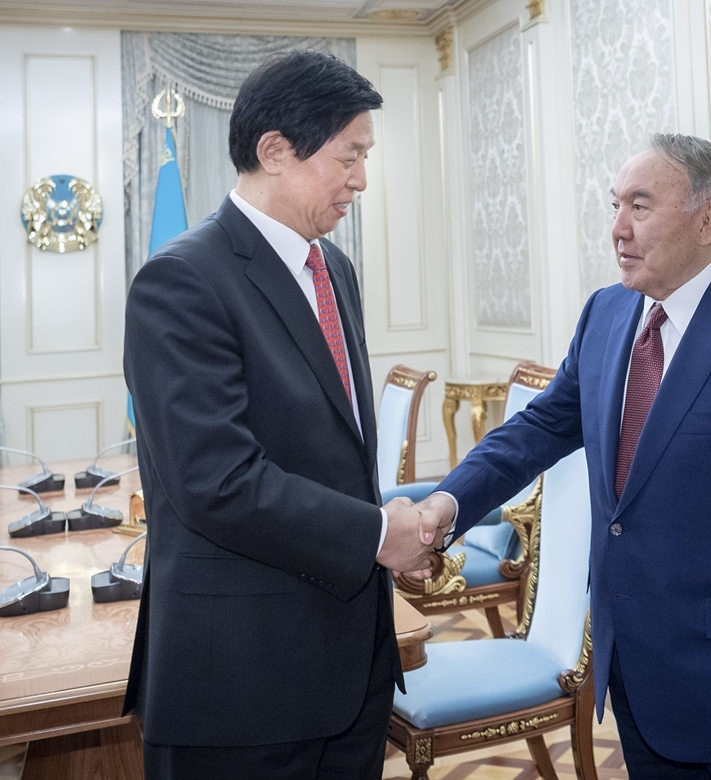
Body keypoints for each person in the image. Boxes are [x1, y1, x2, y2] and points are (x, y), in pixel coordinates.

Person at [417, 134, 711, 780]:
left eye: (640, 205)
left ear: (706, 219)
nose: (617, 228)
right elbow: (539, 427)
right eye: (615, 205)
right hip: (634, 674)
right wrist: (446, 501)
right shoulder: (606, 314)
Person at [123, 49, 442, 780]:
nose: (361, 179)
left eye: (365, 158)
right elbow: (217, 482)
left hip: (351, 664)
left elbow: (334, 450)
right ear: (274, 151)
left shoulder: (335, 269)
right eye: (349, 156)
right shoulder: (182, 280)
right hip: (242, 683)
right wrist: (377, 534)